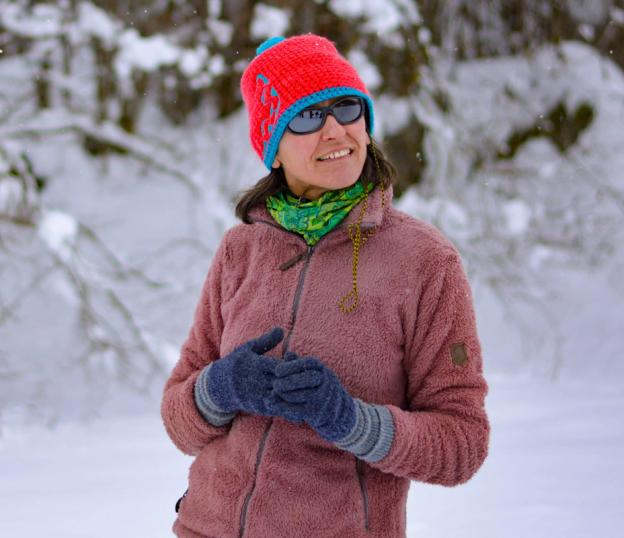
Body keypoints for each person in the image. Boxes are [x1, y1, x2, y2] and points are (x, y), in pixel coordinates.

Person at [161, 33, 489, 538]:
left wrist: (350, 421)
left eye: (347, 108)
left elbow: (461, 444)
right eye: (308, 116)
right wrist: (220, 387)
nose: (335, 130)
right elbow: (179, 420)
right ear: (272, 148)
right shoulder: (240, 251)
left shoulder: (425, 261)